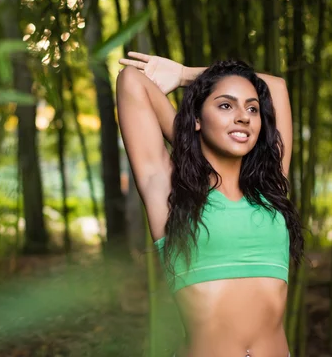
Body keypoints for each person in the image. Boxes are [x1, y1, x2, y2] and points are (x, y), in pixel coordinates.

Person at [116, 52, 304, 357]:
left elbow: (276, 86)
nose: (243, 116)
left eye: (252, 109)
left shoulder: (271, 189)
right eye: (226, 105)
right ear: (197, 119)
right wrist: (191, 135)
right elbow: (130, 81)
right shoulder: (170, 195)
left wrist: (185, 74)